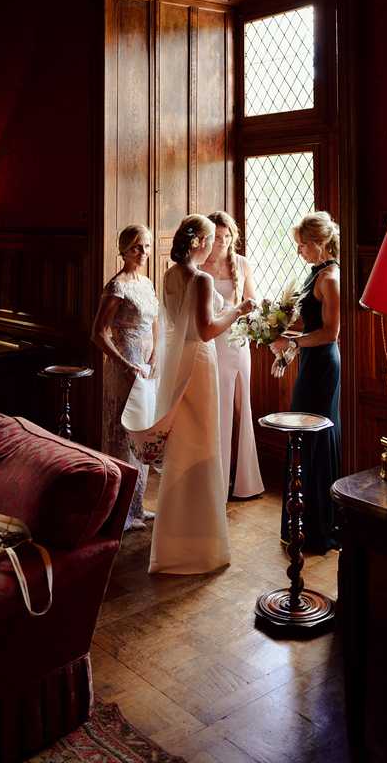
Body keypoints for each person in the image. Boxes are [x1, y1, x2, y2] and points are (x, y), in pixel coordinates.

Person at [124, 214, 254, 574]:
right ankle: (200, 545)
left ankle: (174, 540)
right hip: (198, 363)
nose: (214, 245)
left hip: (178, 361)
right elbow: (207, 330)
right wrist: (238, 310)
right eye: (211, 239)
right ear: (200, 243)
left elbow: (176, 323)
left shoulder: (169, 275)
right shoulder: (199, 278)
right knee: (202, 445)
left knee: (184, 447)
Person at [270, 211, 341, 553]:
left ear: (320, 243)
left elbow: (330, 333)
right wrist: (285, 348)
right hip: (310, 361)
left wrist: (294, 343)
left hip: (324, 365)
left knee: (314, 436)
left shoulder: (331, 279)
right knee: (302, 435)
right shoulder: (315, 274)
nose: (300, 251)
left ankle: (318, 528)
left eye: (303, 245)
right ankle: (302, 522)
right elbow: (304, 327)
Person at [91, 224, 159, 531]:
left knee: (142, 433)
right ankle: (119, 512)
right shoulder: (116, 286)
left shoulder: (145, 283)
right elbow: (98, 333)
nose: (143, 253)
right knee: (123, 435)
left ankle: (138, 506)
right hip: (125, 366)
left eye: (145, 247)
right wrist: (124, 364)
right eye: (136, 248)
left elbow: (154, 325)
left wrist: (154, 357)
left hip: (146, 366)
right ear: (123, 251)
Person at [204, 211, 264, 499]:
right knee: (216, 409)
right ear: (206, 237)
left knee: (242, 407)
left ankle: (245, 480)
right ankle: (216, 478)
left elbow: (251, 301)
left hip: (237, 343)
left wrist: (256, 315)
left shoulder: (241, 263)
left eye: (227, 237)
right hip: (210, 342)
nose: (223, 242)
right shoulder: (199, 265)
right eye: (217, 237)